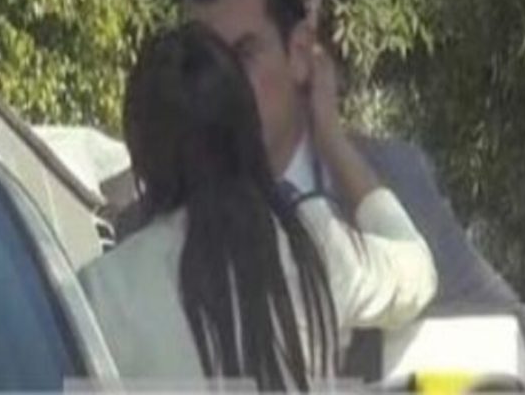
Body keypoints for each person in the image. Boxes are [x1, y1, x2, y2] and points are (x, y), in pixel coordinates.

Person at [163, 0, 525, 380]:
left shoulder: (394, 177)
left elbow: (515, 338)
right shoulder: (153, 216)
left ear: (299, 53)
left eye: (243, 56)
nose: (220, 84)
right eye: (204, 63)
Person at [79, 23, 437, 388]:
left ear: (142, 155)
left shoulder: (100, 291)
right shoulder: (316, 246)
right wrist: (332, 138)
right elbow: (418, 271)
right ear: (248, 130)